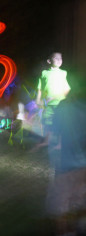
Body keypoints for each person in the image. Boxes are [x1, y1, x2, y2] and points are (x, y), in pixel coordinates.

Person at [46, 83, 86, 235]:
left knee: (61, 206)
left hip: (66, 166)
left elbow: (54, 135)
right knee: (80, 202)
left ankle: (66, 231)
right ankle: (78, 227)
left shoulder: (62, 108)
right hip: (83, 167)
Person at [33, 52, 71, 150]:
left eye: (61, 58)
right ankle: (46, 141)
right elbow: (40, 88)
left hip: (60, 104)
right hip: (48, 104)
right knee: (47, 122)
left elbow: (67, 88)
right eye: (56, 58)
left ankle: (60, 144)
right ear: (49, 61)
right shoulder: (44, 73)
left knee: (61, 123)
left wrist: (65, 99)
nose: (59, 60)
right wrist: (38, 99)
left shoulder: (63, 73)